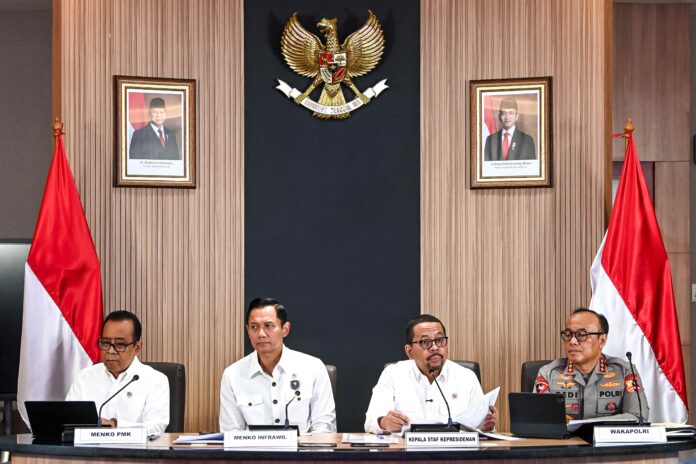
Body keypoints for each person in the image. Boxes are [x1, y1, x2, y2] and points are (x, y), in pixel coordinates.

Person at [364, 314, 498, 434]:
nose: (435, 347)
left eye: (440, 340)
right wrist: (384, 422)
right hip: (407, 451)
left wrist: (487, 425)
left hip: (454, 451)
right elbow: (371, 422)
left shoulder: (466, 377)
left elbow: (480, 427)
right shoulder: (393, 374)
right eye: (425, 342)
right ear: (409, 351)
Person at [219, 297, 336, 432]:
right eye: (254, 327)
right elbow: (231, 434)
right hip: (253, 447)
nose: (261, 334)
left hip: (302, 446)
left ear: (285, 329)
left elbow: (324, 429)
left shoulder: (313, 368)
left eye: (268, 326)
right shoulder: (232, 375)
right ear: (248, 330)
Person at [534, 308, 648, 421]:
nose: (572, 341)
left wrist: (587, 425)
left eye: (581, 334)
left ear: (602, 340)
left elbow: (638, 416)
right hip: (564, 435)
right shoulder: (548, 374)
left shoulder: (625, 371)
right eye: (568, 334)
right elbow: (538, 419)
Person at [66, 310, 170, 435]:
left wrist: (115, 425)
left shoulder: (155, 380)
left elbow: (155, 428)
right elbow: (68, 422)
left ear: (137, 347)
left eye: (120, 345)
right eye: (105, 343)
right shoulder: (85, 377)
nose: (111, 351)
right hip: (90, 447)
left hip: (135, 448)